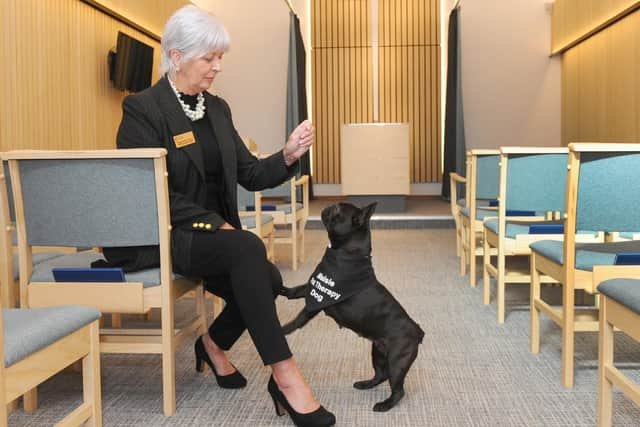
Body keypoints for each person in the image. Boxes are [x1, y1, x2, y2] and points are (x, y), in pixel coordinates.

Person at [115, 5, 335, 426]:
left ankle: (212, 345)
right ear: (177, 57)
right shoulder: (143, 110)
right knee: (248, 250)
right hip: (171, 233)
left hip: (218, 239)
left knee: (267, 279)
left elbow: (250, 173)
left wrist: (287, 154)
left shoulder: (216, 109)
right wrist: (216, 224)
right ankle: (286, 378)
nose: (217, 67)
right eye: (209, 58)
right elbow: (149, 192)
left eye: (220, 58)